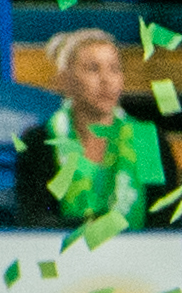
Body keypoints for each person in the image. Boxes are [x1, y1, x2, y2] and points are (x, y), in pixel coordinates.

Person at [25, 31, 164, 236]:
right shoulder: (40, 141)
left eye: (114, 69)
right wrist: (94, 231)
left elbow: (163, 220)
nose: (106, 80)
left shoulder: (145, 140)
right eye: (92, 69)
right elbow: (34, 221)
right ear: (66, 80)